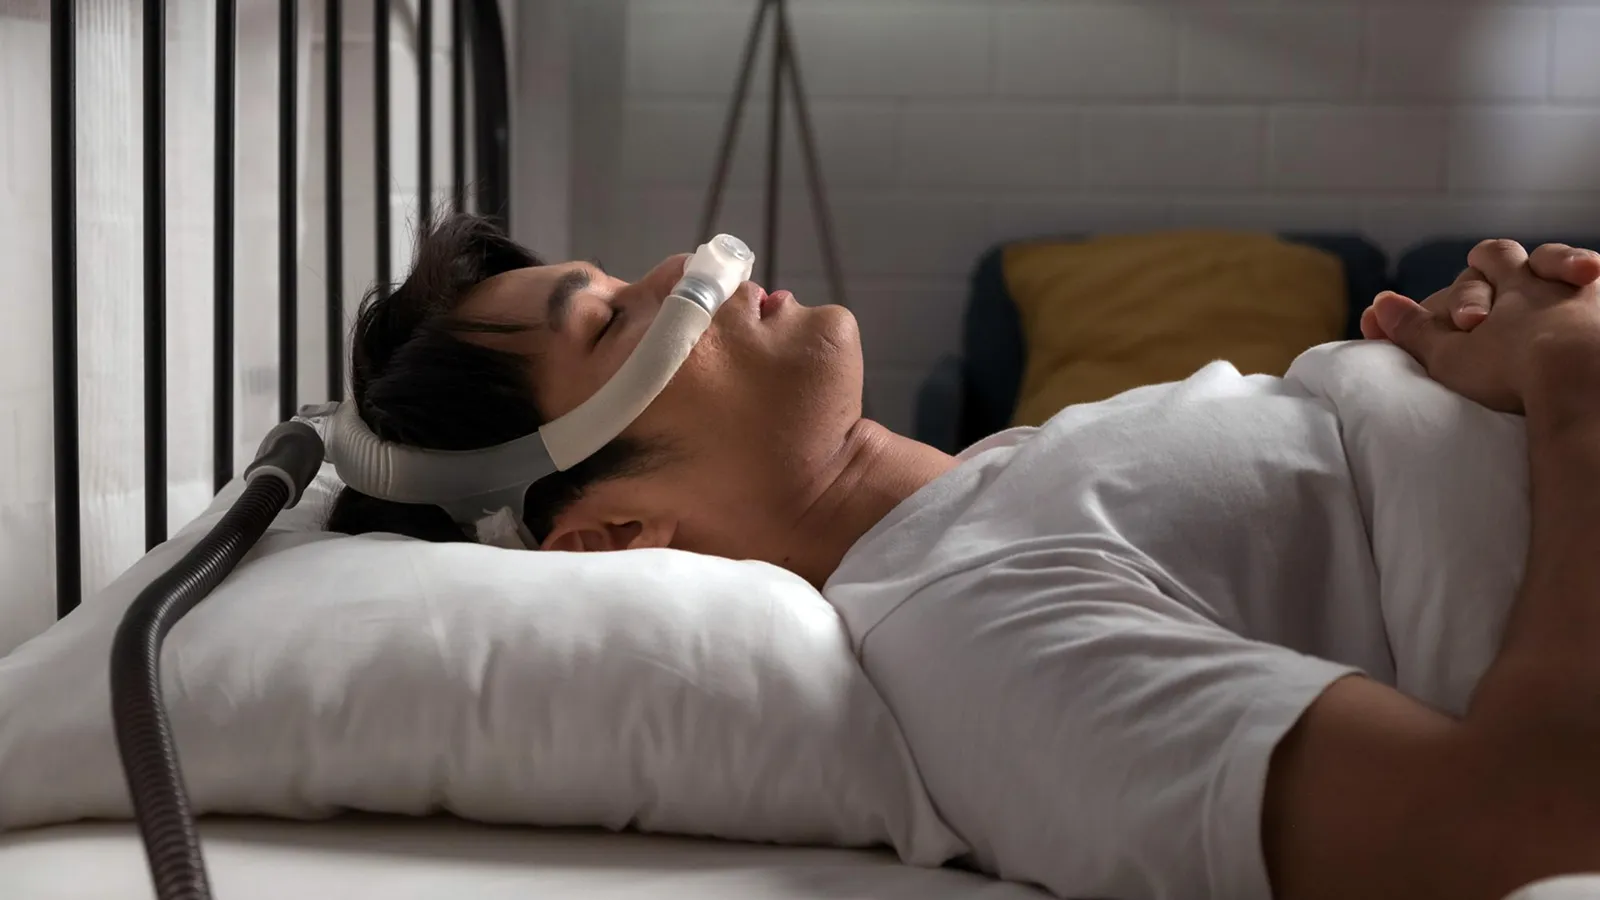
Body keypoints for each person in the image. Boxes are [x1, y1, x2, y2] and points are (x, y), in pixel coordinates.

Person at [326, 213, 1600, 900]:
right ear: (612, 533)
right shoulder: (970, 634)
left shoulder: (1011, 484)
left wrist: (1458, 367)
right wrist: (1569, 380)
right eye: (607, 321)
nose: (681, 268)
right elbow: (1512, 831)